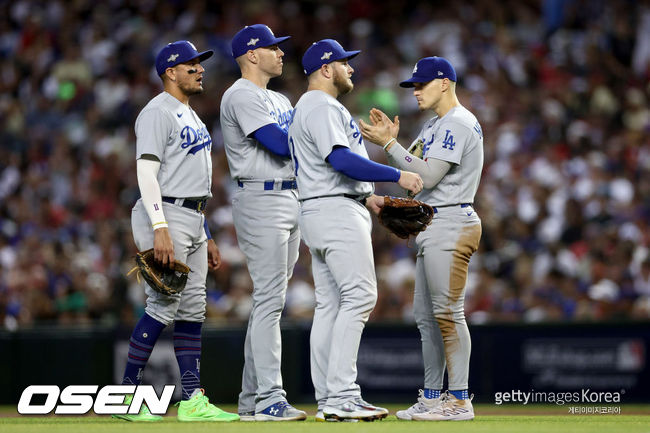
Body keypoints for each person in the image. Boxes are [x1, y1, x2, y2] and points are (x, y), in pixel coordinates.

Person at [288, 39, 424, 422]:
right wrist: (397, 174)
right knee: (361, 296)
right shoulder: (321, 105)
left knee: (331, 305)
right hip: (334, 211)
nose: (351, 69)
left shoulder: (310, 107)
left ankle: (330, 396)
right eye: (345, 63)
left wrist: (370, 199)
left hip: (323, 207)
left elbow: (328, 168)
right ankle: (343, 394)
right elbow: (341, 159)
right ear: (326, 68)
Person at [114, 40, 239, 422]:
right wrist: (160, 227)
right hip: (165, 212)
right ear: (170, 71)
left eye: (200, 64)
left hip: (192, 217)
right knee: (163, 304)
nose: (200, 69)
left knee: (192, 309)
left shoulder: (190, 114)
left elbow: (192, 182)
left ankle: (192, 399)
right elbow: (146, 173)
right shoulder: (157, 112)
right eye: (191, 65)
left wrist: (205, 232)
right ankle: (127, 396)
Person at [359, 56, 483, 421]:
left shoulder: (459, 122)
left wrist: (390, 144)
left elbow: (426, 177)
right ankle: (432, 397)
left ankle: (459, 401)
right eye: (413, 85)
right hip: (433, 222)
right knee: (427, 318)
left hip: (452, 220)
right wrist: (391, 199)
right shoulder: (433, 125)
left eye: (421, 84)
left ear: (444, 83)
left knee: (447, 314)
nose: (415, 91)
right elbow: (412, 178)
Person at [220, 24, 305, 422]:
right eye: (273, 47)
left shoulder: (283, 99)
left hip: (290, 194)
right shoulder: (239, 94)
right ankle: (270, 397)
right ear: (252, 54)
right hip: (261, 195)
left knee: (270, 302)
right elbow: (278, 142)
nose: (281, 53)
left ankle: (252, 398)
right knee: (270, 300)